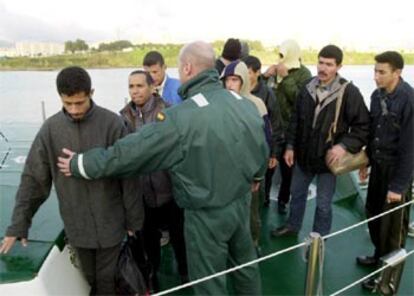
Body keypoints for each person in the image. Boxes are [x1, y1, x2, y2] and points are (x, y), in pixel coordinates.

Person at [58, 41, 268, 296]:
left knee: (209, 281)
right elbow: (260, 145)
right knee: (245, 268)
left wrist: (81, 163)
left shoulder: (181, 118)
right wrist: (256, 175)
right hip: (240, 203)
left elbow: (130, 153)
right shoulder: (242, 102)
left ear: (188, 68)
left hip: (205, 215)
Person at [0, 66, 144, 295]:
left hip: (112, 223)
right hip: (77, 227)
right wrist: (19, 223)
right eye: (68, 104)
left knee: (106, 281)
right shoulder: (50, 130)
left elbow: (129, 176)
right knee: (90, 278)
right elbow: (33, 181)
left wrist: (133, 222)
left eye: (80, 102)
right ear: (60, 98)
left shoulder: (113, 124)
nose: (75, 109)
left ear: (91, 93)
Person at [272, 45, 370, 237]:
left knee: (324, 204)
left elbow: (363, 126)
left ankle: (319, 237)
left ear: (338, 67)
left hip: (328, 160)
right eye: (320, 62)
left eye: (329, 64)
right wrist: (290, 146)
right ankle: (293, 225)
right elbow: (295, 120)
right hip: (303, 156)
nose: (323, 68)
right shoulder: (307, 87)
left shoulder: (349, 92)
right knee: (297, 194)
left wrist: (343, 146)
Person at [120, 70, 188, 291]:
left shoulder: (169, 112)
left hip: (170, 191)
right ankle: (153, 281)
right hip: (143, 196)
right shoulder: (123, 118)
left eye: (140, 86)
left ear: (152, 87)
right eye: (131, 86)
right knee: (149, 245)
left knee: (180, 240)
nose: (135, 91)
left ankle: (186, 275)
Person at [356, 51, 414, 291]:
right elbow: (373, 132)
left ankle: (387, 279)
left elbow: (411, 148)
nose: (376, 76)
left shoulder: (409, 100)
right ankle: (379, 257)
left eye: (382, 72)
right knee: (374, 216)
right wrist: (365, 162)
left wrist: (398, 186)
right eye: (375, 71)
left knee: (392, 230)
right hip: (378, 166)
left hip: (396, 171)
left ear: (397, 73)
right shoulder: (376, 95)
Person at [220, 60, 272, 248]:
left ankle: (253, 244)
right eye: (227, 80)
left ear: (244, 81)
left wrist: (258, 174)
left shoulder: (257, 105)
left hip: (248, 172)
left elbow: (265, 141)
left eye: (234, 80)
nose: (230, 84)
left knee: (251, 213)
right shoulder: (219, 105)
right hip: (225, 171)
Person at [263, 39, 312, 213]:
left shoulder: (304, 74)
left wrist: (286, 79)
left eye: (284, 54)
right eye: (280, 54)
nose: (281, 58)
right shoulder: (276, 69)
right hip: (273, 128)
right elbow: (263, 95)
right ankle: (265, 199)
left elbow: (302, 100)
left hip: (291, 130)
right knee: (268, 167)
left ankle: (283, 200)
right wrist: (265, 76)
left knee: (287, 169)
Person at [243, 55, 285, 208]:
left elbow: (275, 125)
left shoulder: (267, 94)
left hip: (263, 148)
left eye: (247, 72)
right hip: (244, 149)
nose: (244, 76)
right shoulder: (237, 92)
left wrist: (274, 153)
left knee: (263, 184)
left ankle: (264, 202)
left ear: (257, 73)